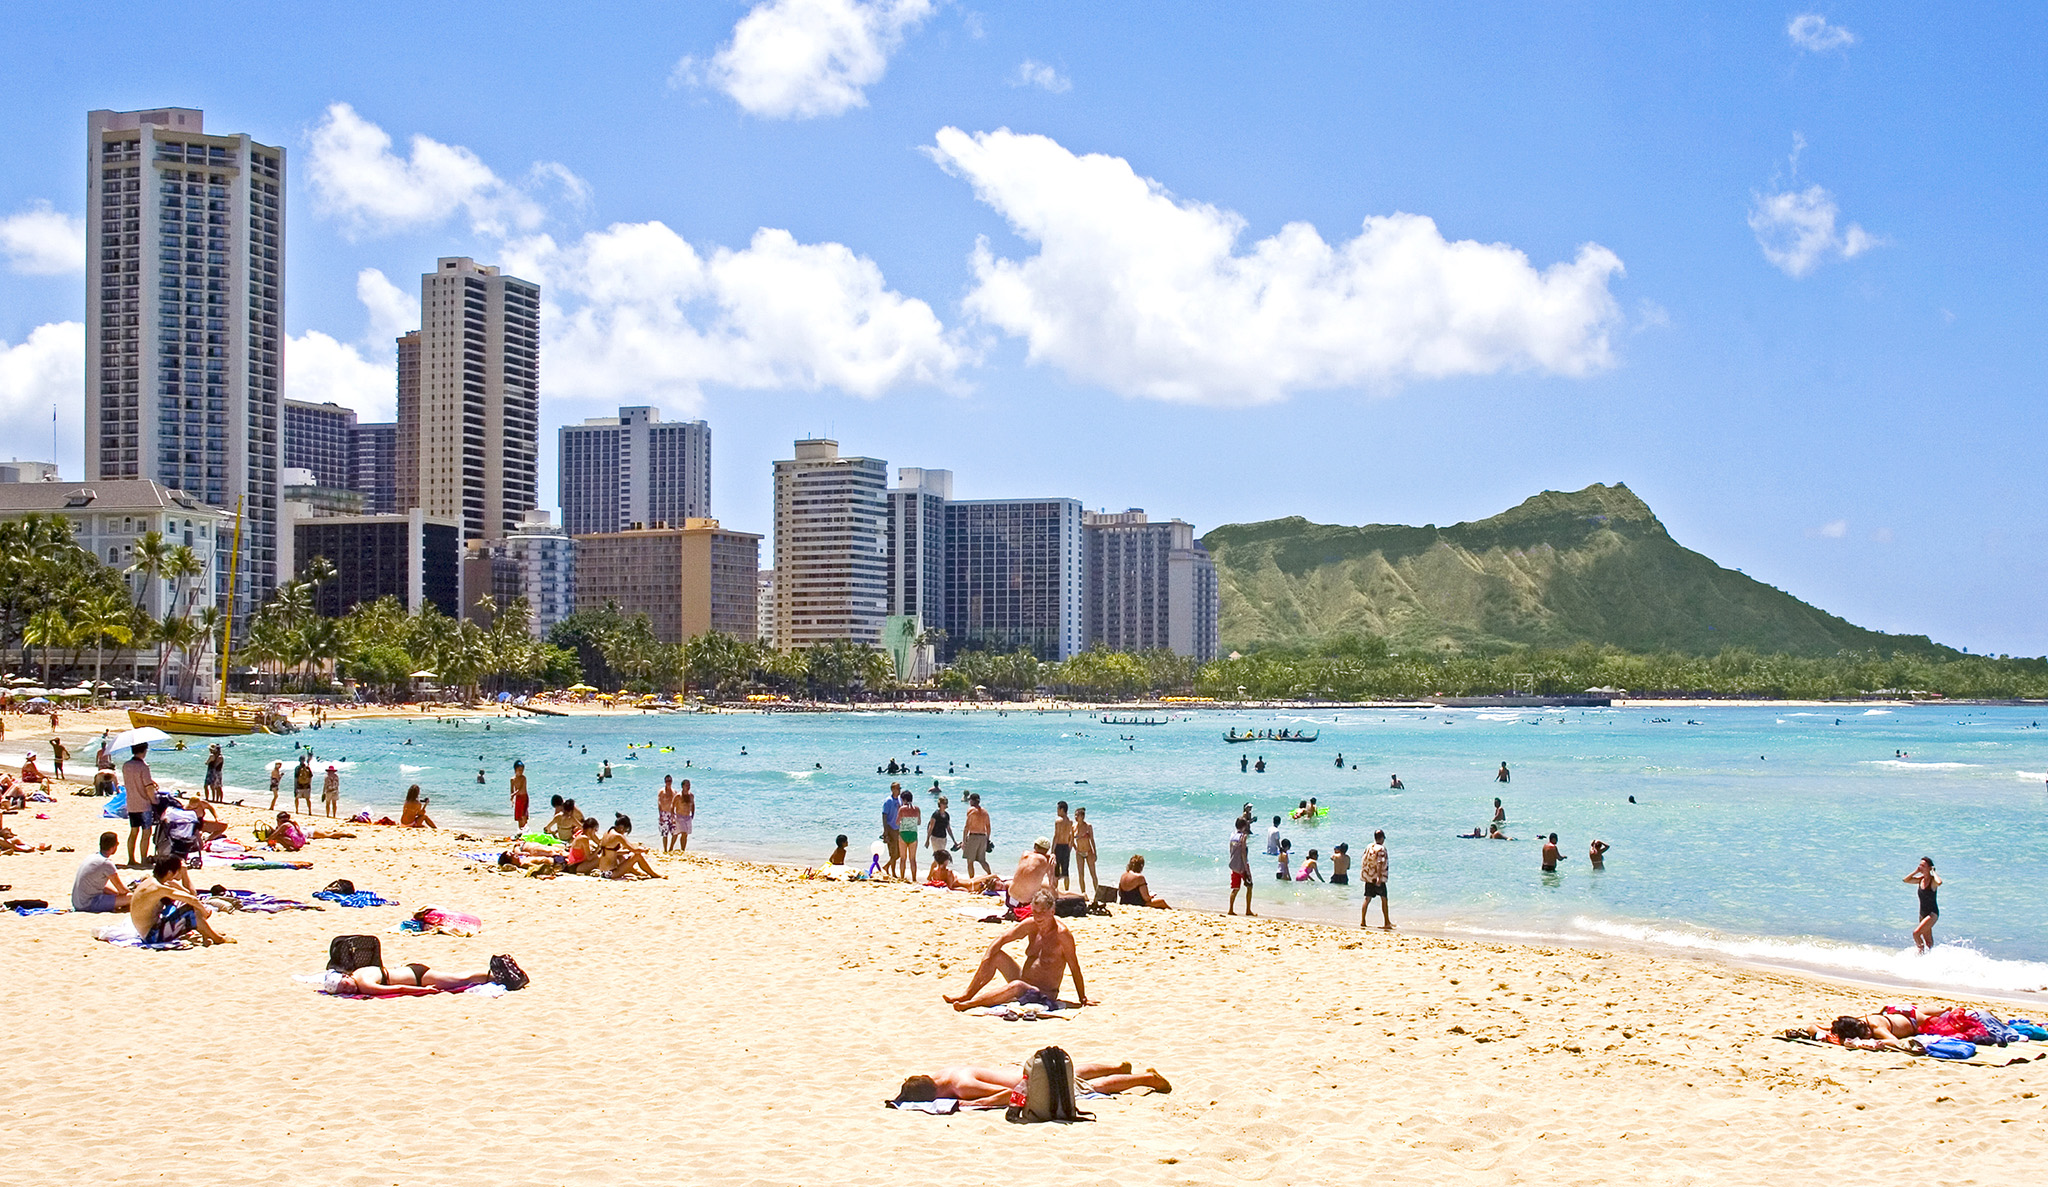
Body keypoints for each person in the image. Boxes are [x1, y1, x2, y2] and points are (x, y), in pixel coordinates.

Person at [942, 889, 1094, 1011]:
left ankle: (971, 1004)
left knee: (1017, 986)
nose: (1037, 917)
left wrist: (1083, 998)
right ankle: (967, 995)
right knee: (997, 955)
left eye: (1041, 913)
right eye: (1034, 912)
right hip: (1024, 979)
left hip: (1045, 993)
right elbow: (1002, 938)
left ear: (1052, 911)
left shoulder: (1062, 935)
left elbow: (1075, 967)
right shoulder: (1031, 924)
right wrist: (988, 956)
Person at [893, 1059, 1171, 1108]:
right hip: (1023, 1069)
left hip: (1032, 1080)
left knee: (1088, 1088)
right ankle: (1117, 1065)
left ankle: (1147, 1079)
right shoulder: (947, 1072)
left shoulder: (962, 1087)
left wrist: (977, 1103)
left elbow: (1009, 1093)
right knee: (1078, 1070)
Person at [128, 856, 233, 945]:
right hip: (152, 936)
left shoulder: (152, 882)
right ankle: (217, 939)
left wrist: (183, 875)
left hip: (147, 931)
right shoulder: (158, 888)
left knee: (187, 905)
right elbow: (192, 899)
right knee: (193, 910)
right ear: (169, 873)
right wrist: (204, 911)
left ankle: (207, 934)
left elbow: (189, 895)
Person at [327, 956, 507, 997]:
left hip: (418, 977)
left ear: (346, 977)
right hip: (410, 970)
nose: (348, 989)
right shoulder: (357, 972)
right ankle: (493, 975)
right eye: (343, 990)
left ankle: (496, 976)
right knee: (455, 977)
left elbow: (399, 989)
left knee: (459, 980)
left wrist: (424, 990)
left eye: (345, 985)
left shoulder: (364, 984)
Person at [72, 831, 131, 913]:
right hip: (89, 904)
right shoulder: (106, 863)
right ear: (114, 846)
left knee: (112, 892)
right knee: (131, 898)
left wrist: (117, 895)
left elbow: (101, 886)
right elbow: (122, 890)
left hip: (78, 903)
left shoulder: (92, 857)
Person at [122, 741, 157, 867]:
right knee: (146, 832)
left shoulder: (126, 765)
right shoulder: (143, 767)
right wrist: (154, 800)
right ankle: (143, 859)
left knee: (133, 831)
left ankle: (131, 859)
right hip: (144, 804)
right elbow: (148, 787)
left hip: (131, 803)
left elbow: (133, 779)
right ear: (144, 751)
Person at [599, 814, 663, 879]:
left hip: (603, 872)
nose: (624, 833)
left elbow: (611, 852)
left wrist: (626, 852)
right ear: (621, 827)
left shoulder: (607, 832)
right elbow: (635, 850)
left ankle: (636, 872)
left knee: (621, 857)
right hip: (610, 873)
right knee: (637, 856)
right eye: (625, 830)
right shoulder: (618, 836)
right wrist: (644, 850)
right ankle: (653, 874)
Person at [1904, 857, 1942, 951]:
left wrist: (1934, 872)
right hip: (1922, 914)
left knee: (1916, 933)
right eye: (1920, 865)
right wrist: (1915, 871)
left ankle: (1920, 954)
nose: (1920, 867)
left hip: (1932, 914)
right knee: (1928, 942)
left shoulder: (1932, 881)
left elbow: (1939, 882)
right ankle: (1930, 957)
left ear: (1929, 868)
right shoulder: (1920, 880)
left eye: (1923, 866)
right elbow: (1906, 880)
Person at [926, 847, 1001, 893]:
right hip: (967, 885)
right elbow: (951, 888)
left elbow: (930, 880)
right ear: (945, 860)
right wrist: (963, 890)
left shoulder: (934, 871)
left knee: (992, 877)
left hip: (966, 883)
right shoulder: (948, 872)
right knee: (993, 876)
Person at [1007, 839, 1055, 908]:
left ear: (1035, 846)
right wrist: (1053, 857)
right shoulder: (1046, 860)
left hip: (1010, 897)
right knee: (1049, 888)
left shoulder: (1025, 854)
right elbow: (1052, 882)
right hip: (1026, 902)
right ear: (1047, 850)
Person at [1360, 830, 1391, 929]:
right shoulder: (1381, 849)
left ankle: (1363, 921)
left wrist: (1365, 875)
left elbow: (1364, 859)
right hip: (1378, 878)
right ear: (1381, 838)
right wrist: (1378, 877)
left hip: (1369, 877)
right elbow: (1379, 863)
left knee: (1367, 898)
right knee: (1384, 899)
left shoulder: (1369, 846)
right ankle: (1386, 922)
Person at [1228, 817, 1255, 916]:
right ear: (1244, 826)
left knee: (1235, 888)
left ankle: (1230, 909)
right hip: (1242, 865)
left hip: (1234, 865)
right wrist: (1246, 869)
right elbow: (1243, 853)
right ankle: (1248, 910)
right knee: (1250, 886)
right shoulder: (1242, 837)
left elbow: (1231, 850)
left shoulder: (1232, 836)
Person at [962, 793, 992, 879]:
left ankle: (971, 880)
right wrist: (987, 839)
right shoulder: (985, 812)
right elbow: (988, 827)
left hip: (973, 836)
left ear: (971, 801)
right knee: (982, 860)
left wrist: (964, 840)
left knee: (970, 861)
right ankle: (990, 876)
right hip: (983, 837)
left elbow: (967, 826)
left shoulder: (971, 810)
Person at [897, 787, 923, 882]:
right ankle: (914, 878)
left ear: (904, 799)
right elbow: (919, 822)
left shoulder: (902, 809)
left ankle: (902, 877)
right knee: (912, 859)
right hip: (913, 834)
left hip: (903, 833)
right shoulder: (917, 809)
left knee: (903, 858)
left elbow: (897, 822)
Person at [1072, 806, 1098, 898]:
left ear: (1082, 816)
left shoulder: (1088, 826)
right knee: (1081, 874)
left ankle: (1097, 893)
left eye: (1077, 815)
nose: (1075, 817)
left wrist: (1095, 853)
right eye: (1075, 815)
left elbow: (1092, 840)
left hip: (1088, 851)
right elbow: (1071, 841)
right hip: (1079, 853)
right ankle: (1084, 894)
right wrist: (1076, 849)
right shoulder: (1073, 827)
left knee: (1093, 874)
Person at [926, 794, 956, 862]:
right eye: (943, 803)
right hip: (935, 838)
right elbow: (930, 827)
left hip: (943, 838)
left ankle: (933, 872)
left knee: (939, 859)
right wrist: (927, 840)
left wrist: (954, 840)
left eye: (946, 803)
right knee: (939, 858)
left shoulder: (946, 815)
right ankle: (933, 872)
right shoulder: (935, 814)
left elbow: (948, 828)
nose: (945, 805)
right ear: (940, 804)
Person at [1051, 801, 1074, 891]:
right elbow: (1071, 836)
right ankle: (1067, 891)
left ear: (1062, 810)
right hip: (1066, 847)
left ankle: (1055, 890)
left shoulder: (1058, 821)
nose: (1057, 811)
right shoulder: (1070, 822)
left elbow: (1056, 836)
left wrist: (1052, 850)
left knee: (1056, 871)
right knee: (1066, 871)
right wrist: (1070, 847)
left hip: (1059, 846)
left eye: (1058, 809)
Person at [674, 778, 695, 854]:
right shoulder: (678, 796)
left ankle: (683, 849)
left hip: (688, 817)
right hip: (680, 816)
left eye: (689, 785)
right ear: (682, 786)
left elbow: (693, 805)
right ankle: (679, 849)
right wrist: (673, 816)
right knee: (682, 832)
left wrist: (692, 815)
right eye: (687, 785)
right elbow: (673, 806)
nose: (688, 787)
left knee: (685, 834)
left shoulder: (691, 795)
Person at [510, 761, 529, 830]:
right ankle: (520, 829)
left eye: (522, 770)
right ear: (515, 770)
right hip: (518, 798)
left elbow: (520, 789)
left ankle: (525, 829)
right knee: (518, 815)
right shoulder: (512, 779)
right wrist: (512, 799)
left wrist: (513, 794)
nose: (521, 772)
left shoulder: (523, 778)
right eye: (520, 770)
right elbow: (512, 790)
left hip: (524, 797)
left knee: (524, 814)